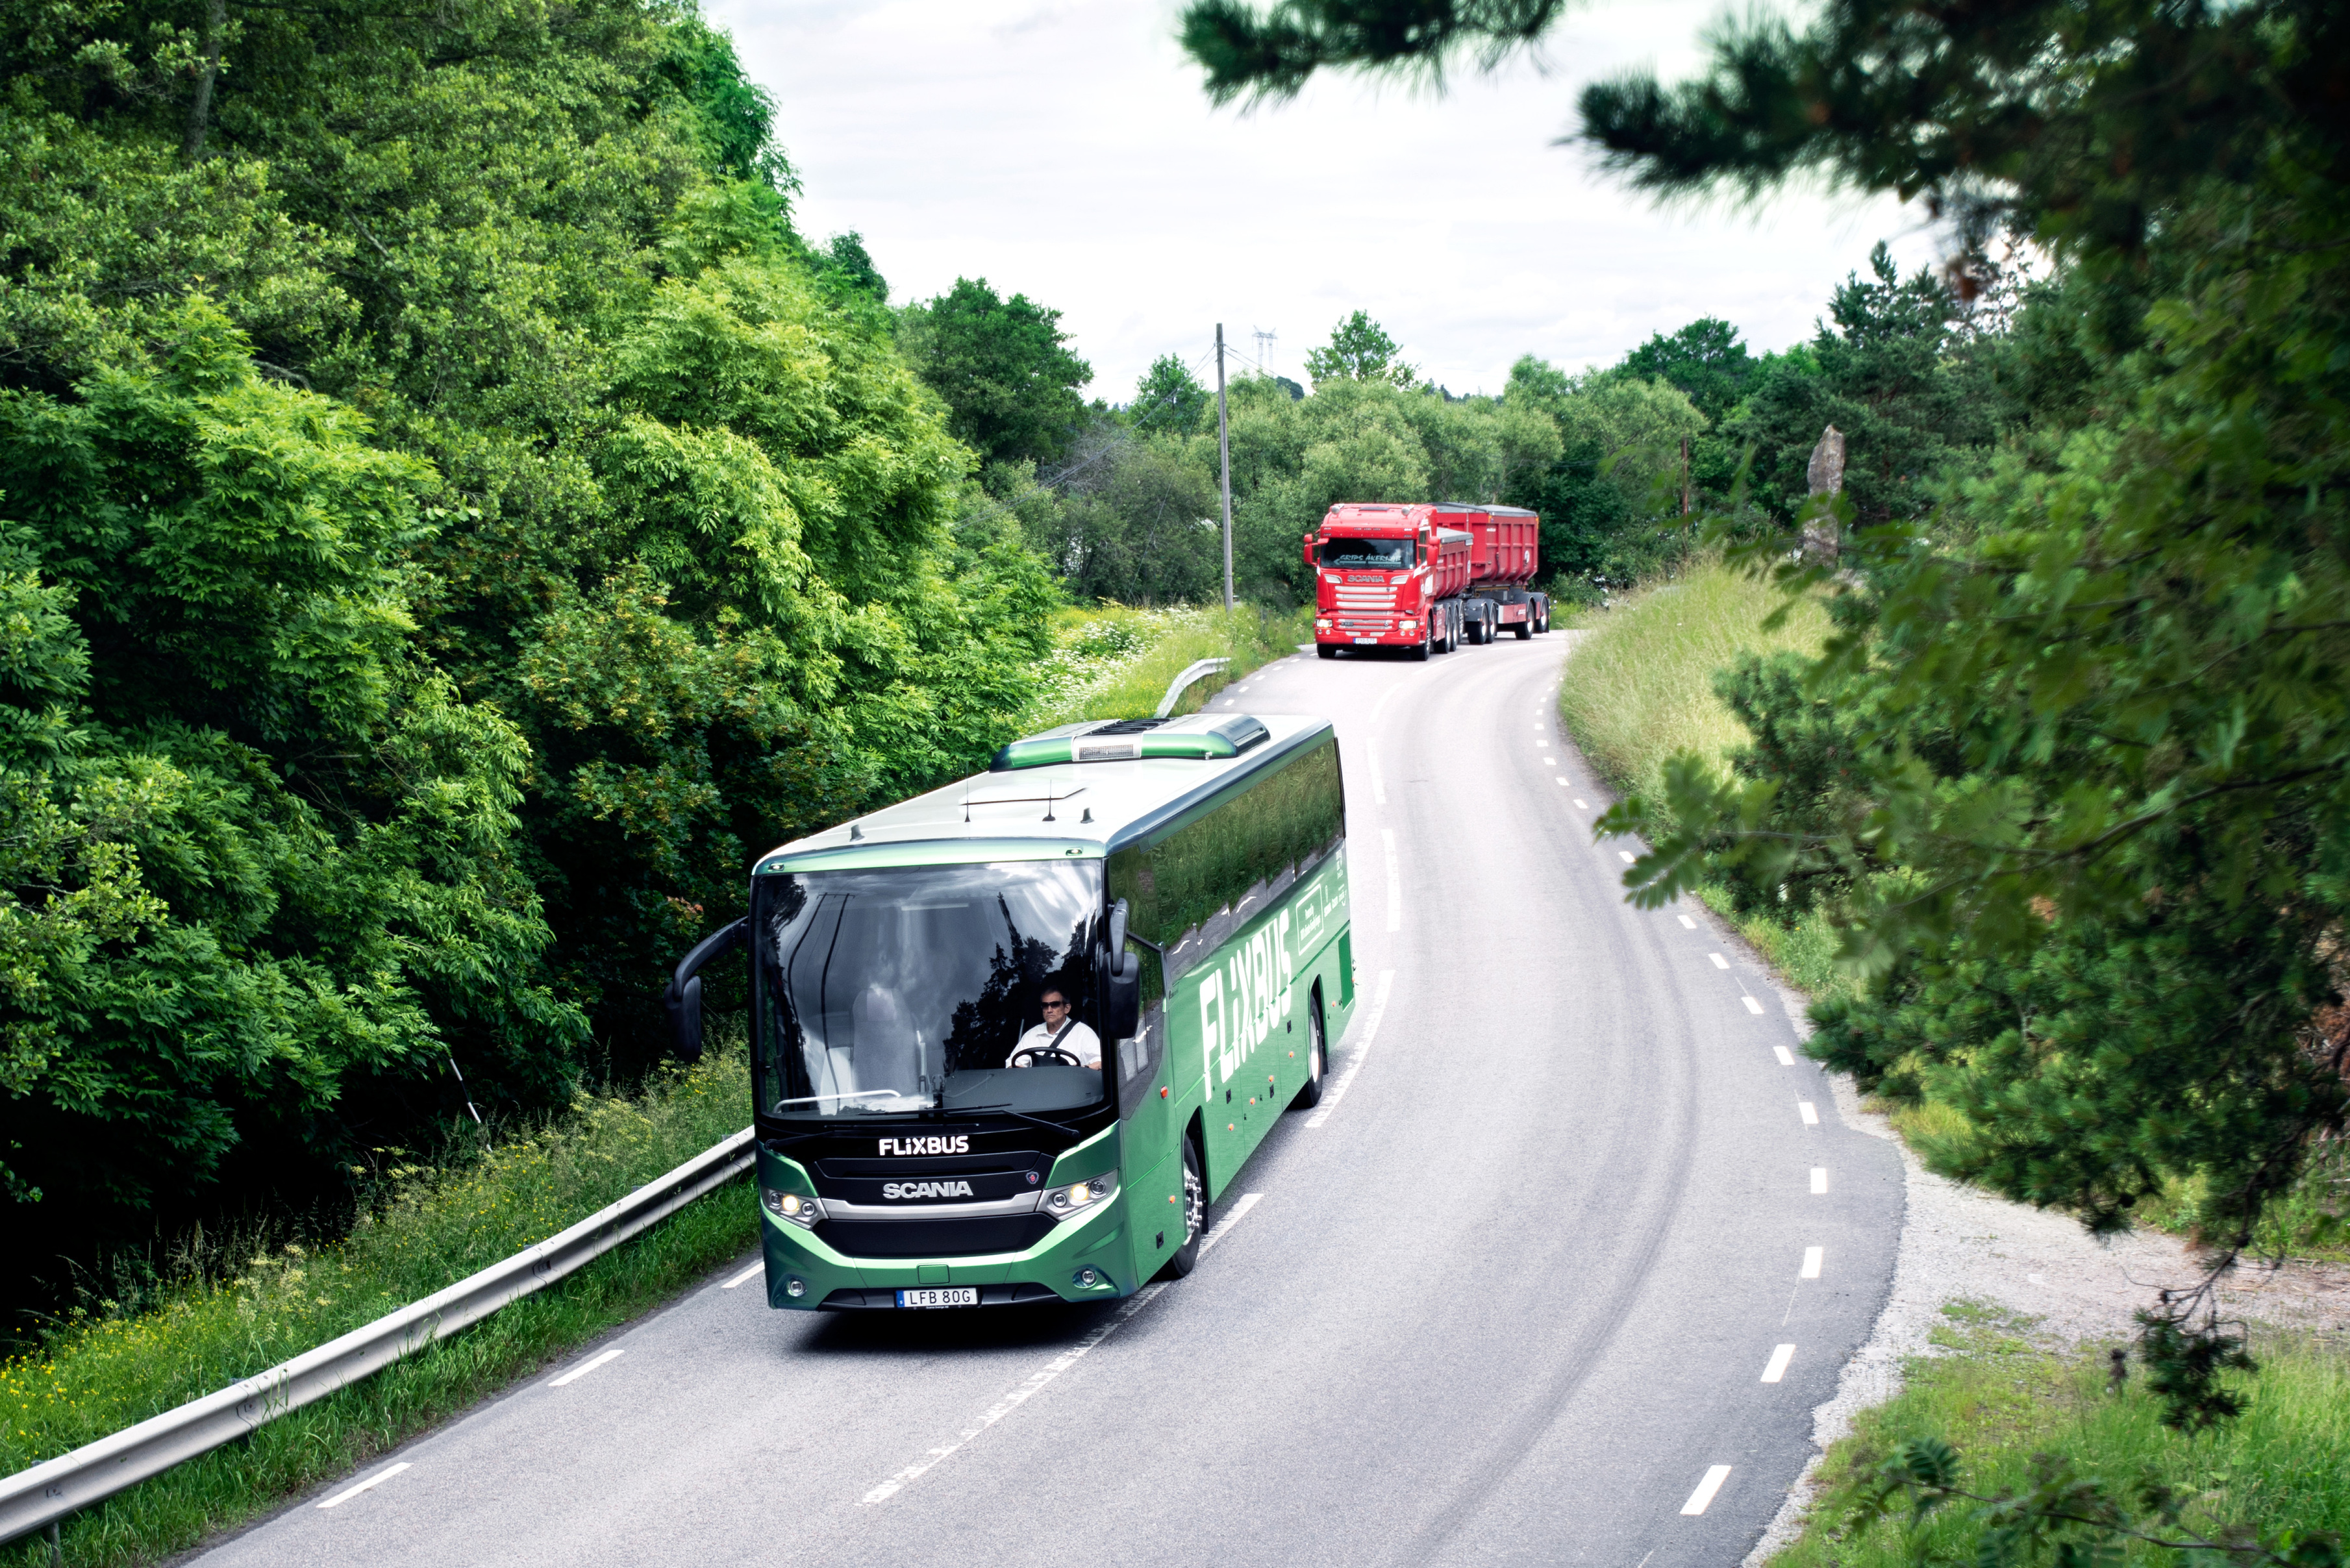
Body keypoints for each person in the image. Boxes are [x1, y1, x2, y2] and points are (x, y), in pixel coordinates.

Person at [1007, 985, 1101, 1070]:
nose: (1049, 1010)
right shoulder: (1032, 1035)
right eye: (1045, 1005)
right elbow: (1013, 1065)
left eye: (1055, 1005)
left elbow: (1102, 1062)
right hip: (1037, 1087)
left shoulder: (1083, 1033)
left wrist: (1079, 1070)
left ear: (1067, 1008)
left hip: (1071, 1086)